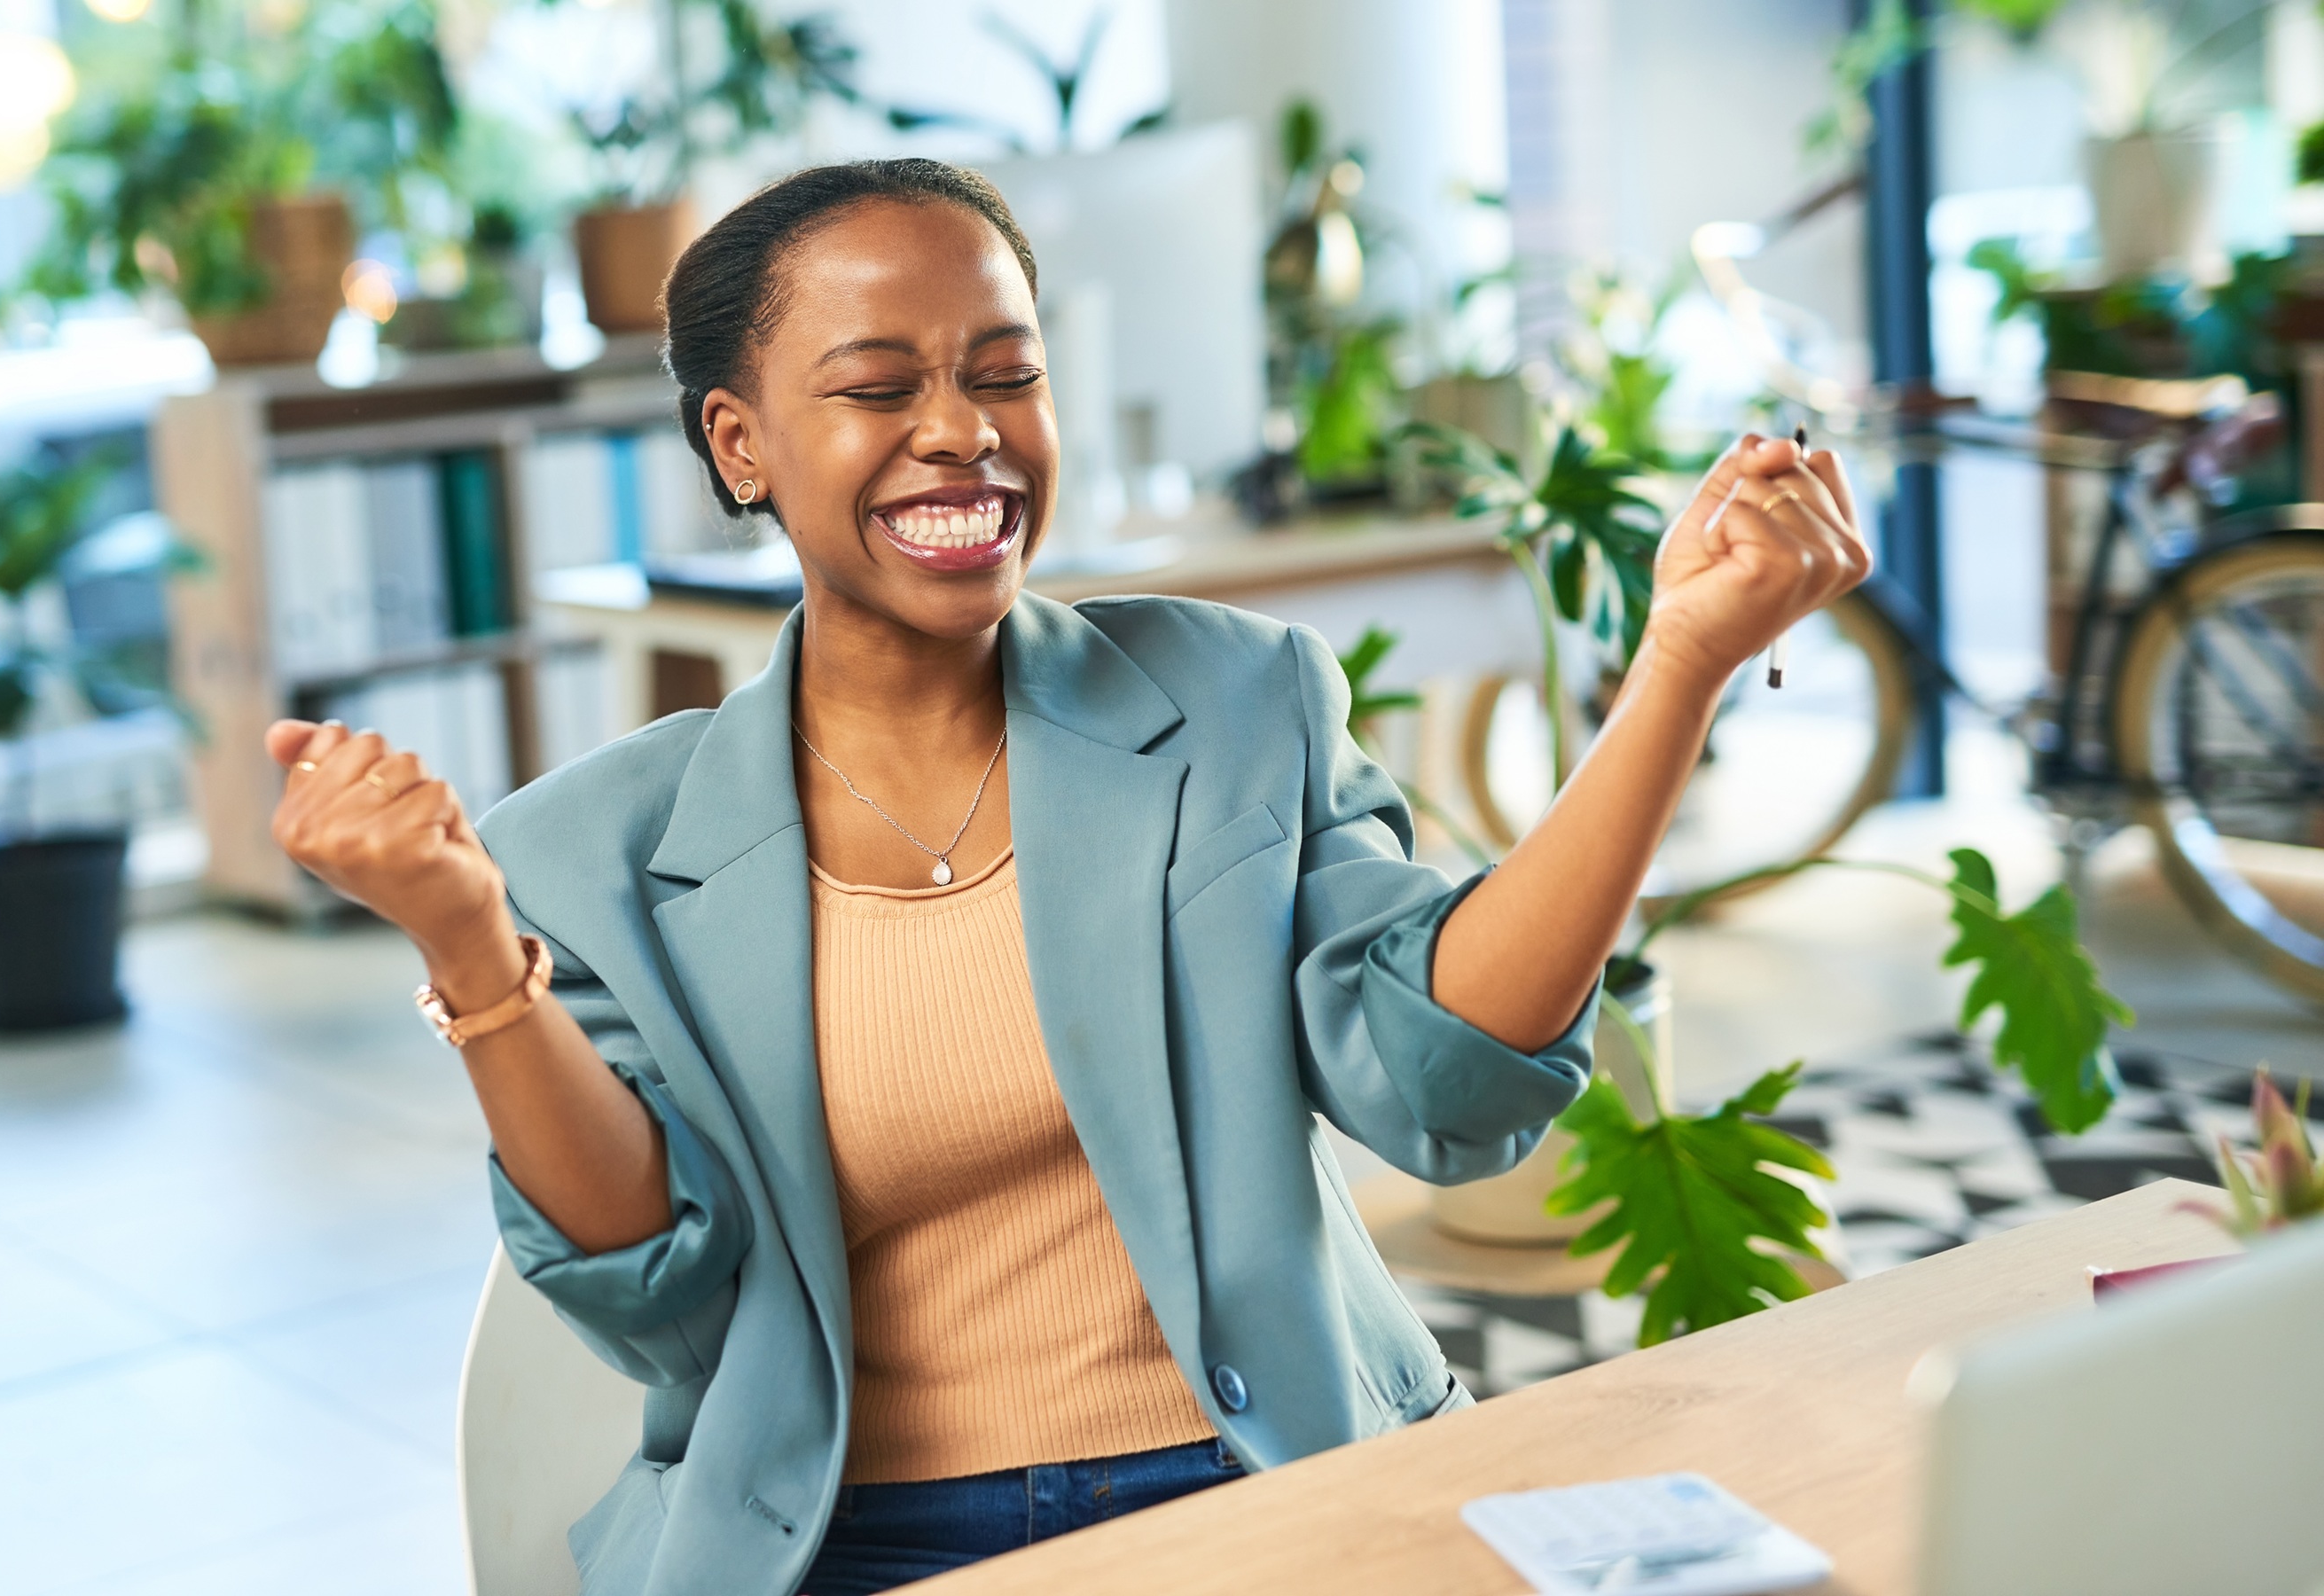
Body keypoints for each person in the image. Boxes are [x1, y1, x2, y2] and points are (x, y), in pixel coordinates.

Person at [264, 159, 1868, 1596]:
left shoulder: (1242, 702)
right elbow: (658, 1293)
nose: (962, 431)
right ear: (739, 444)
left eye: (1006, 374)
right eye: (879, 387)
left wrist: (1677, 667)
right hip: (850, 1545)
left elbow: (1443, 1082)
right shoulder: (588, 851)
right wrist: (472, 949)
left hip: (1263, 1488)